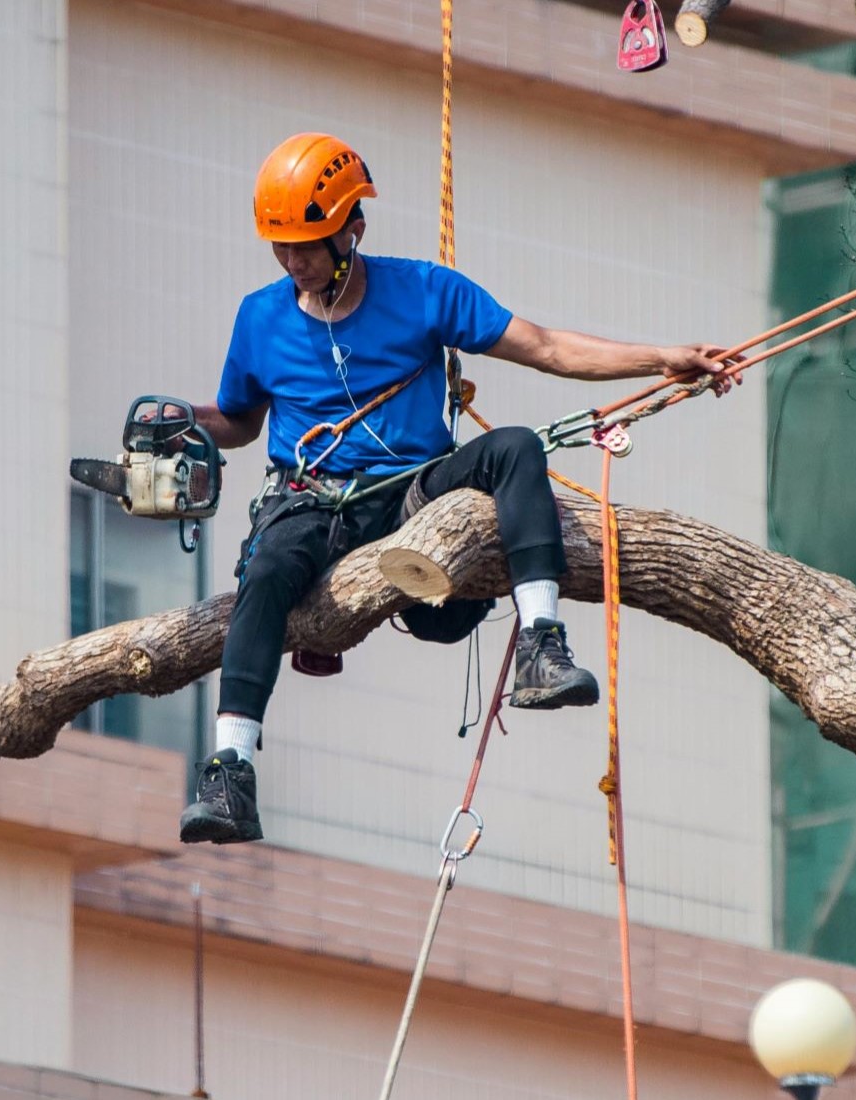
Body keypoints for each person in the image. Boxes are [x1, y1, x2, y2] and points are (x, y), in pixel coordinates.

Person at [176, 132, 731, 845]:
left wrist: (662, 359)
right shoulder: (260, 317)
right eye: (280, 247)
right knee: (267, 573)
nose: (293, 261)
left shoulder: (423, 292)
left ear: (353, 230)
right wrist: (181, 420)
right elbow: (243, 423)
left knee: (515, 448)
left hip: (414, 492)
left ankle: (542, 643)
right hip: (313, 500)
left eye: (307, 245)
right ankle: (231, 772)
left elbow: (549, 347)